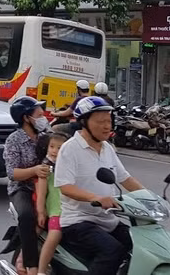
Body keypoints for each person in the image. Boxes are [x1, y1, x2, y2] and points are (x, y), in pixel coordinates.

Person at [55, 96, 145, 274]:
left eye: (109, 121)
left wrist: (149, 197)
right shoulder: (70, 149)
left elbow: (125, 178)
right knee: (111, 250)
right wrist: (95, 197)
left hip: (107, 219)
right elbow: (65, 187)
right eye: (100, 121)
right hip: (78, 220)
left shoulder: (107, 148)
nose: (107, 126)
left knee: (143, 246)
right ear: (84, 123)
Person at [4, 96, 52, 275]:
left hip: (46, 186)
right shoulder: (13, 140)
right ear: (26, 118)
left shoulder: (46, 137)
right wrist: (35, 170)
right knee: (26, 216)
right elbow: (13, 173)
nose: (43, 118)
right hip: (22, 188)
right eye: (39, 115)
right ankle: (30, 265)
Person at [35, 132, 69, 275]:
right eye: (52, 146)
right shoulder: (46, 167)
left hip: (72, 208)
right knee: (55, 234)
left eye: (59, 148)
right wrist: (41, 211)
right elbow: (41, 192)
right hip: (56, 209)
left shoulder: (69, 167)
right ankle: (41, 270)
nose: (54, 151)